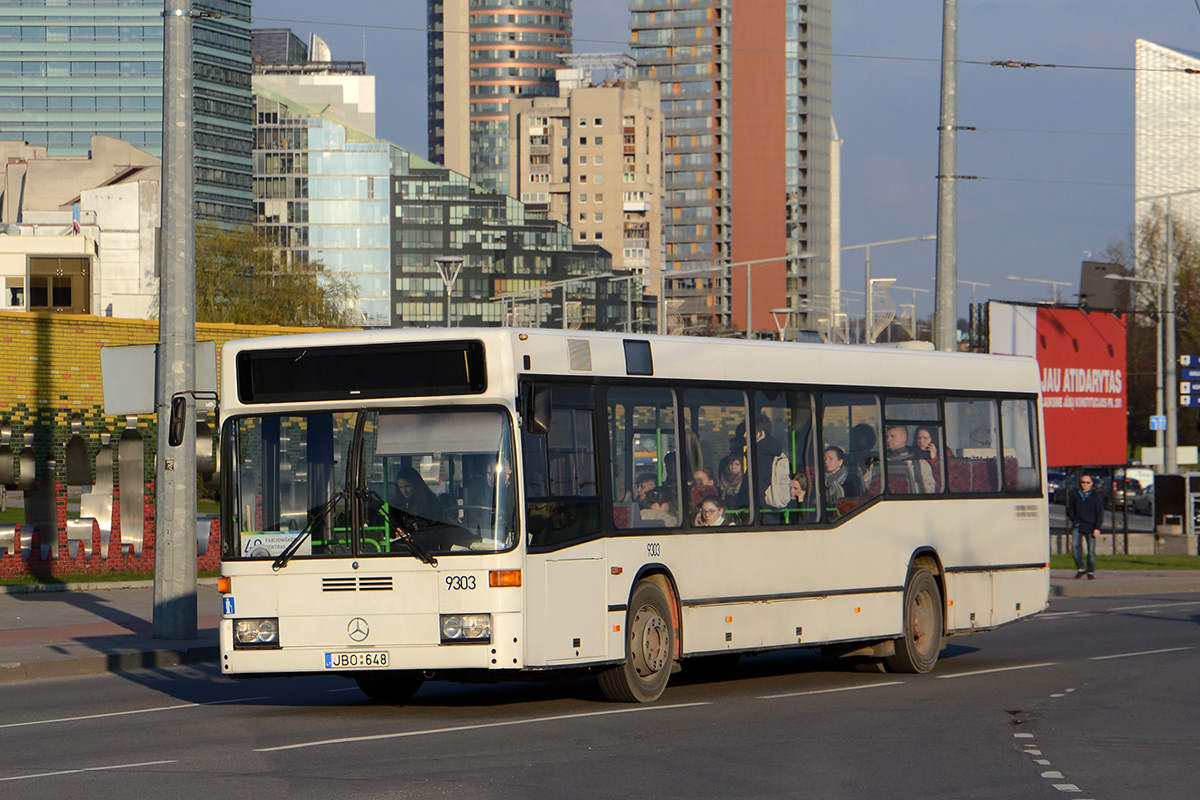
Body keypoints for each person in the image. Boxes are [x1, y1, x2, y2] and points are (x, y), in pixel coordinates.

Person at [1066, 474, 1104, 579]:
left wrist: (1097, 528)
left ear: (1091, 484)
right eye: (1083, 482)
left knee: (1091, 551)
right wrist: (1074, 519)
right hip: (1078, 525)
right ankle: (1081, 568)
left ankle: (1090, 571)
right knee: (1075, 547)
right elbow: (1070, 509)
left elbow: (1100, 513)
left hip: (1091, 526)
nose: (1085, 485)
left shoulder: (1095, 496)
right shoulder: (1075, 494)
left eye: (1087, 482)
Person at [752, 413, 789, 508]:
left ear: (761, 433)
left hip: (761, 507)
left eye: (751, 433)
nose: (744, 435)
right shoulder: (774, 451)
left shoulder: (760, 454)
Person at [884, 424, 935, 494]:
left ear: (904, 437)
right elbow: (867, 485)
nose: (888, 440)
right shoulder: (880, 461)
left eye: (893, 436)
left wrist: (905, 487)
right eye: (887, 437)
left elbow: (929, 489)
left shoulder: (918, 462)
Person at [913, 426, 946, 491]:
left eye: (925, 438)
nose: (921, 441)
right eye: (919, 438)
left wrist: (934, 459)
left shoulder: (944, 453)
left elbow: (943, 477)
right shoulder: (913, 454)